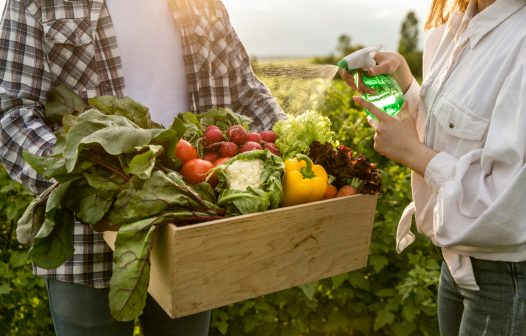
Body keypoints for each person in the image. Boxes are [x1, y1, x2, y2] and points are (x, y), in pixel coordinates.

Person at [0, 0, 285, 335]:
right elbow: (13, 112)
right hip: (89, 233)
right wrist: (85, 179)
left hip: (193, 221)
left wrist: (294, 141)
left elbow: (247, 94)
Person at [341, 0, 526, 334]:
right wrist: (407, 86)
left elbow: (509, 205)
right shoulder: (452, 25)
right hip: (455, 265)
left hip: (506, 277)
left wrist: (413, 154)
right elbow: (457, 134)